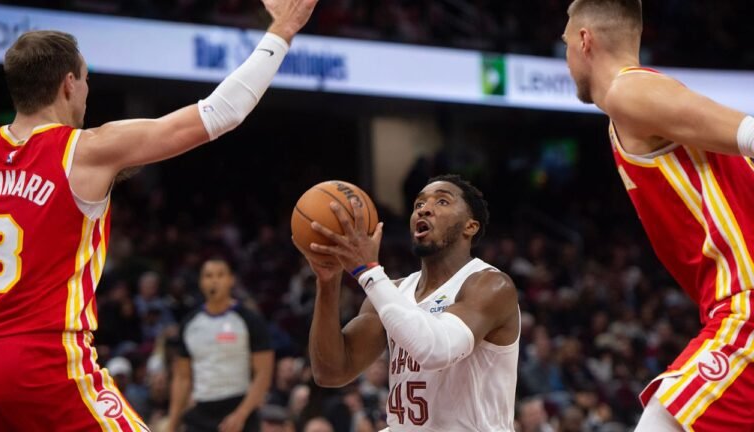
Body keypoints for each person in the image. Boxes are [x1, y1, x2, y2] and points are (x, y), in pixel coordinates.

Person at [0, 0, 317, 430]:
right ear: (69, 84)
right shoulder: (86, 149)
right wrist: (284, 30)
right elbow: (220, 112)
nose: (87, 90)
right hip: (44, 359)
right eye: (87, 79)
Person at [562, 1, 754, 430]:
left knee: (662, 421)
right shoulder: (643, 106)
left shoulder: (629, 92)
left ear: (584, 41)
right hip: (725, 305)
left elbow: (749, 132)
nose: (567, 59)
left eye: (566, 45)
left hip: (746, 306)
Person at [300, 174, 520, 431]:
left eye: (442, 202)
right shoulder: (393, 291)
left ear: (470, 227)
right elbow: (331, 372)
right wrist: (328, 283)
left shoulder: (490, 285)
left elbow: (437, 351)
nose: (425, 209)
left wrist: (369, 271)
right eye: (418, 205)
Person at [167, 258, 274, 432]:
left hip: (239, 408)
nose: (214, 280)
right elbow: (182, 378)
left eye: (220, 275)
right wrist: (172, 424)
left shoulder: (249, 320)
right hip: (201, 411)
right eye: (208, 276)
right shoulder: (189, 324)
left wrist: (241, 414)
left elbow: (263, 374)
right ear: (201, 282)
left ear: (231, 280)